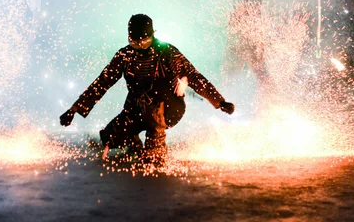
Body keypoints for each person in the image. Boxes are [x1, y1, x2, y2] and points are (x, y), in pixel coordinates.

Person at [59, 14, 235, 165]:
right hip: (137, 107)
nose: (139, 45)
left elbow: (193, 76)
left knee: (152, 124)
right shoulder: (125, 55)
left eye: (143, 40)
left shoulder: (166, 52)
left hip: (167, 106)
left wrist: (219, 101)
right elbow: (102, 82)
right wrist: (74, 109)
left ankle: (155, 146)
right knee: (110, 137)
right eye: (134, 41)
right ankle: (134, 144)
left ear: (153, 35)